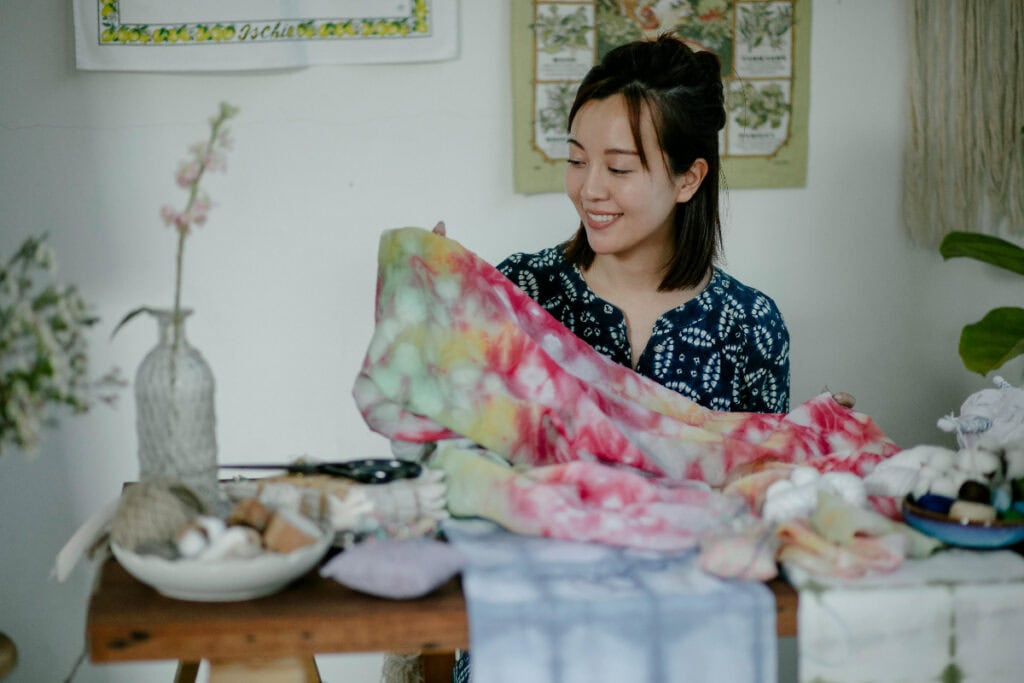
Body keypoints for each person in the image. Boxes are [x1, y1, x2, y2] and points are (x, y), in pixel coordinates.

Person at [498, 33, 790, 413]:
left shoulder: (751, 324)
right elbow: (457, 439)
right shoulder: (520, 291)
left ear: (688, 179)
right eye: (576, 160)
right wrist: (428, 320)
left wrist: (821, 440)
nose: (589, 189)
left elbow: (767, 467)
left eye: (619, 168)